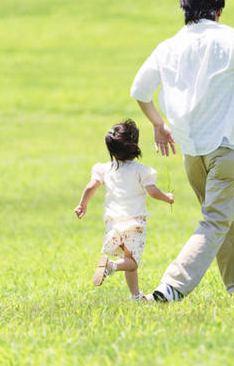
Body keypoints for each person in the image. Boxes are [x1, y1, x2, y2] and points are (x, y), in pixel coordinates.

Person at [131, 0, 234, 302]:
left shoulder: (169, 46)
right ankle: (171, 287)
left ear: (185, 10)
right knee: (216, 220)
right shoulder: (231, 39)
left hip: (191, 152)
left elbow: (140, 91)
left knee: (220, 219)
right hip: (227, 146)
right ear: (219, 11)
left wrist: (158, 124)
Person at [74, 119, 174, 301]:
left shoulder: (104, 169)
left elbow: (91, 186)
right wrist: (167, 197)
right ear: (134, 146)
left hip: (113, 223)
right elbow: (152, 192)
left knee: (129, 260)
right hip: (134, 224)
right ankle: (110, 267)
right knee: (132, 261)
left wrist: (83, 204)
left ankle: (135, 296)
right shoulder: (142, 171)